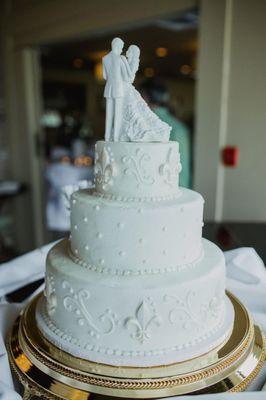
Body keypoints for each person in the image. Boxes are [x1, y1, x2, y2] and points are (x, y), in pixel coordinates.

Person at [140, 80, 192, 188]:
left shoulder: (143, 126)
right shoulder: (180, 127)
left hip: (156, 190)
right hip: (178, 189)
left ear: (145, 97)